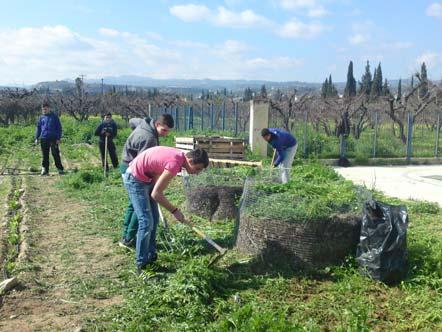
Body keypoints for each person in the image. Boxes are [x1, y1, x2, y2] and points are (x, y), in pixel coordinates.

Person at [122, 146, 209, 273]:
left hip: (147, 178)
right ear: (190, 161)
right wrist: (175, 211)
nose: (197, 172)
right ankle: (142, 265)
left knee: (154, 219)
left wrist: (155, 189)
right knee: (146, 221)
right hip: (135, 179)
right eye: (197, 169)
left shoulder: (178, 157)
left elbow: (157, 170)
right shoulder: (175, 162)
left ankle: (151, 259)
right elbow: (156, 194)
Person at [119, 114, 174, 250]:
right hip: (132, 168)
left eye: (168, 131)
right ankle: (130, 238)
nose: (166, 134)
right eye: (164, 130)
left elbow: (132, 120)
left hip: (126, 164)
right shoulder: (149, 139)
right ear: (157, 124)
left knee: (134, 203)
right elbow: (145, 163)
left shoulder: (144, 123)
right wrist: (153, 186)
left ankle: (126, 235)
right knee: (141, 207)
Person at [34, 102, 65, 176]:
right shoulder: (41, 117)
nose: (44, 110)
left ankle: (60, 169)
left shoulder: (54, 117)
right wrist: (36, 138)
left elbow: (59, 128)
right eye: (43, 109)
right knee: (45, 155)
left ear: (49, 108)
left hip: (53, 139)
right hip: (44, 138)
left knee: (55, 154)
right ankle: (45, 170)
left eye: (45, 109)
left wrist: (58, 138)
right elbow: (38, 128)